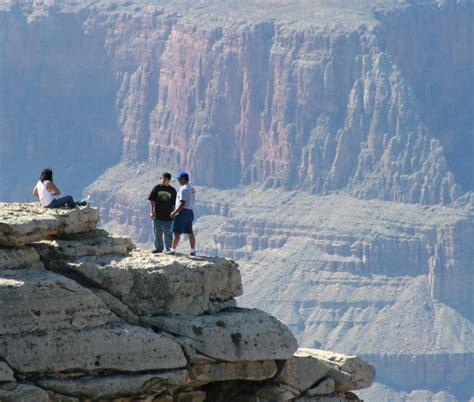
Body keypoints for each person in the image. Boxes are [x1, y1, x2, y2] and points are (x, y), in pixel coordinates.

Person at [168, 171, 196, 256]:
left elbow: (182, 203)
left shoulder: (183, 189)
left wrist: (174, 212)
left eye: (179, 179)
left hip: (182, 213)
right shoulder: (192, 188)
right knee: (190, 232)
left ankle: (172, 250)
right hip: (190, 212)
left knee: (177, 233)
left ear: (183, 179)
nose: (178, 181)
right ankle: (193, 250)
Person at [148, 172, 177, 253]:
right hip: (157, 215)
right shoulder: (157, 188)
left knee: (168, 233)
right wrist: (152, 211)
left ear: (169, 180)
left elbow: (173, 203)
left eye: (165, 179)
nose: (163, 180)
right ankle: (158, 249)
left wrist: (174, 213)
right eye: (162, 178)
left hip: (168, 216)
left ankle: (169, 249)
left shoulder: (172, 190)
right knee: (157, 232)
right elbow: (152, 201)